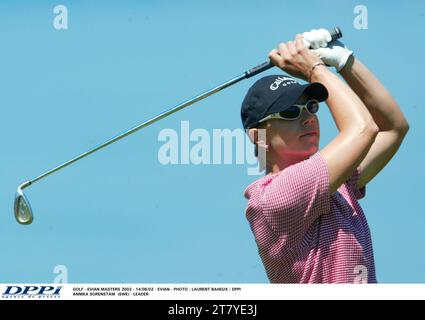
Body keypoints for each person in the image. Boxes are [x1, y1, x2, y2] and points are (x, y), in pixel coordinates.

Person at [241, 29, 409, 283]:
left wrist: (344, 61)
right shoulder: (273, 198)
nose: (308, 117)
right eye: (289, 112)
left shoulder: (336, 185)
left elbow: (393, 128)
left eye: (311, 107)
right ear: (258, 137)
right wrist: (315, 70)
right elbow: (364, 128)